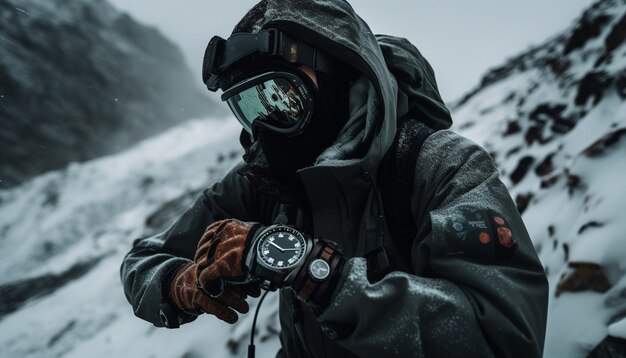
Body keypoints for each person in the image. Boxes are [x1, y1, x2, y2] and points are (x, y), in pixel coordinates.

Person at [120, 1, 549, 357]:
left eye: (280, 97)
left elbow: (503, 336)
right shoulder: (267, 179)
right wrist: (177, 284)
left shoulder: (442, 167)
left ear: (339, 74)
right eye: (248, 109)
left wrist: (316, 272)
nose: (266, 129)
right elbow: (143, 260)